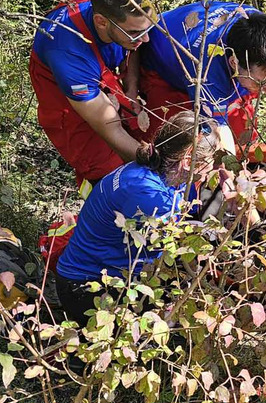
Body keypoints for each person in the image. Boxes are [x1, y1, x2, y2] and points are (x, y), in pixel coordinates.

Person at [53, 111, 220, 326]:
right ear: (188, 160)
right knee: (174, 326)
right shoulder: (152, 197)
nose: (212, 168)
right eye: (209, 160)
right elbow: (170, 256)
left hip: (87, 275)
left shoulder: (155, 171)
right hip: (85, 288)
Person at [138, 2, 266, 156]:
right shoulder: (208, 70)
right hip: (163, 70)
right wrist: (236, 185)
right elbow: (218, 132)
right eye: (263, 84)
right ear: (234, 63)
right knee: (176, 147)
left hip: (231, 72)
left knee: (243, 136)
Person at [29, 0, 156, 198]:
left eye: (148, 29)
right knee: (109, 174)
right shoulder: (67, 53)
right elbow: (110, 128)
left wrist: (132, 87)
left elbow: (138, 41)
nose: (145, 40)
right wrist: (156, 166)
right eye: (136, 33)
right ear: (101, 21)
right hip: (69, 107)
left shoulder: (119, 2)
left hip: (101, 74)